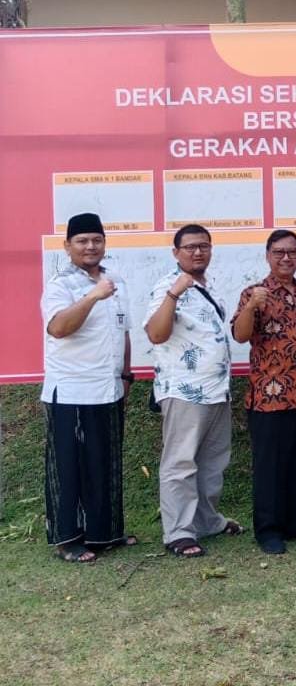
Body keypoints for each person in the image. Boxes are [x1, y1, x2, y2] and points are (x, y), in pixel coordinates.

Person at [40, 213, 135, 563]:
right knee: (70, 468)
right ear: (68, 246)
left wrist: (126, 376)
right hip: (71, 390)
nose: (90, 246)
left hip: (108, 389)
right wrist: (93, 296)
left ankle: (104, 533)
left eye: (96, 240)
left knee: (104, 464)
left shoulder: (116, 280)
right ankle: (68, 539)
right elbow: (59, 328)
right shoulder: (60, 284)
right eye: (82, 241)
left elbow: (123, 331)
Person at [232, 230, 296, 555]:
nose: (286, 258)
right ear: (268, 256)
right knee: (270, 466)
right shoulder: (254, 293)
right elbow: (240, 335)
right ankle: (269, 530)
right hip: (270, 396)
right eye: (279, 252)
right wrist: (252, 307)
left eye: (292, 252)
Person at [144, 224, 240, 558]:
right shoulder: (166, 286)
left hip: (216, 389)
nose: (198, 252)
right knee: (181, 463)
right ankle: (179, 533)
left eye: (204, 246)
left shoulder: (209, 286)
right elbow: (156, 335)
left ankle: (207, 521)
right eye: (190, 247)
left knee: (213, 463)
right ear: (176, 252)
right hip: (185, 391)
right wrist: (173, 294)